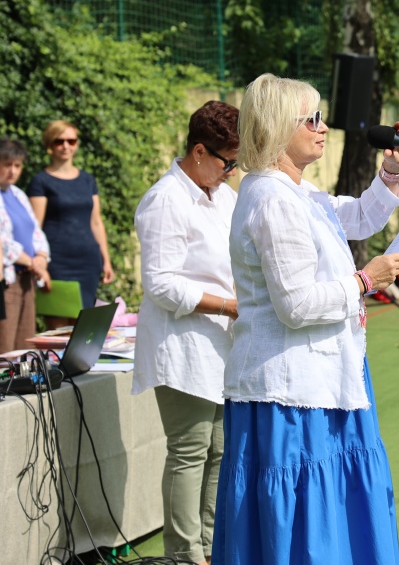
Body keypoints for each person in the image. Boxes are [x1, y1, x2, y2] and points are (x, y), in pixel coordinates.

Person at [211, 74, 399, 565]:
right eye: (312, 119)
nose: (323, 128)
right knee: (304, 516)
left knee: (328, 505)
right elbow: (297, 304)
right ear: (279, 127)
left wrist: (391, 173)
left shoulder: (297, 192)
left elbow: (358, 217)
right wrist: (364, 281)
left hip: (321, 377)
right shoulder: (273, 199)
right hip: (291, 390)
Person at [133, 101, 240, 565]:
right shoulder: (166, 199)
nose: (232, 172)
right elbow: (160, 283)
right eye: (227, 162)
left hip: (221, 343)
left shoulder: (222, 196)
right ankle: (183, 555)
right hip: (181, 345)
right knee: (190, 451)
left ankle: (211, 549)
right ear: (199, 151)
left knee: (220, 452)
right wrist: (228, 305)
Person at [28, 120, 114, 324]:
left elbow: (96, 222)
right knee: (57, 330)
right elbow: (35, 228)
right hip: (57, 262)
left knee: (83, 329)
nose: (66, 146)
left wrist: (106, 259)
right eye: (59, 141)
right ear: (50, 144)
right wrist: (38, 263)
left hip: (88, 261)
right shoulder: (40, 181)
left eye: (71, 141)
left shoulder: (87, 180)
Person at [0, 139, 50, 354]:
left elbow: (36, 231)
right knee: (5, 346)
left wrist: (41, 257)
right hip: (7, 281)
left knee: (25, 347)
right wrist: (32, 262)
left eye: (17, 165)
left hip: (28, 279)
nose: (12, 171)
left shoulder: (18, 195)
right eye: (7, 164)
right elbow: (2, 242)